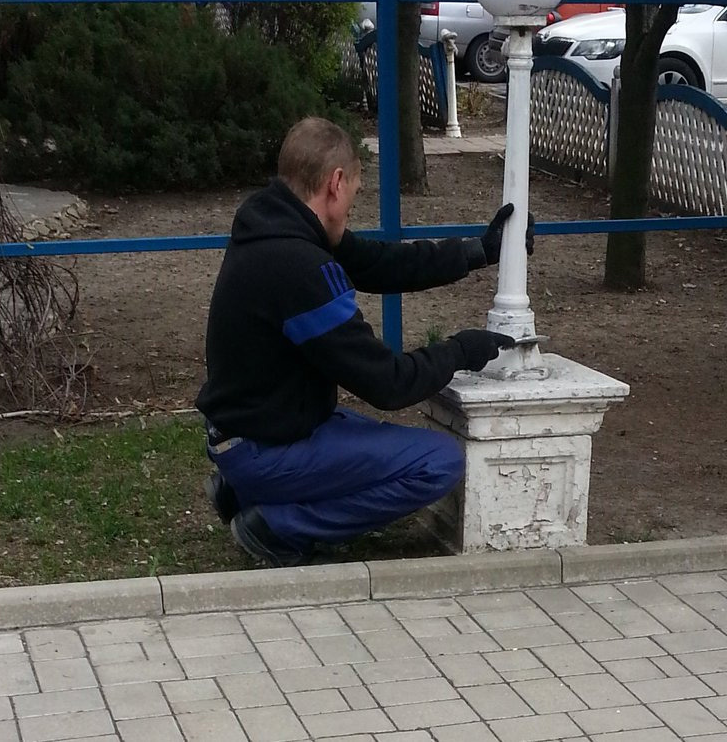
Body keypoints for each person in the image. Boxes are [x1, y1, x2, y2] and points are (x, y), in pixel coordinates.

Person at [195, 116, 529, 566]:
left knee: (376, 439)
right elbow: (387, 384)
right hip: (265, 448)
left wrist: (479, 252)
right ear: (335, 184)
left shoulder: (274, 223)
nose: (352, 208)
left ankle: (240, 490)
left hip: (250, 432)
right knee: (437, 462)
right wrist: (460, 351)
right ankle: (275, 526)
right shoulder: (298, 267)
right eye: (353, 197)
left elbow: (374, 263)